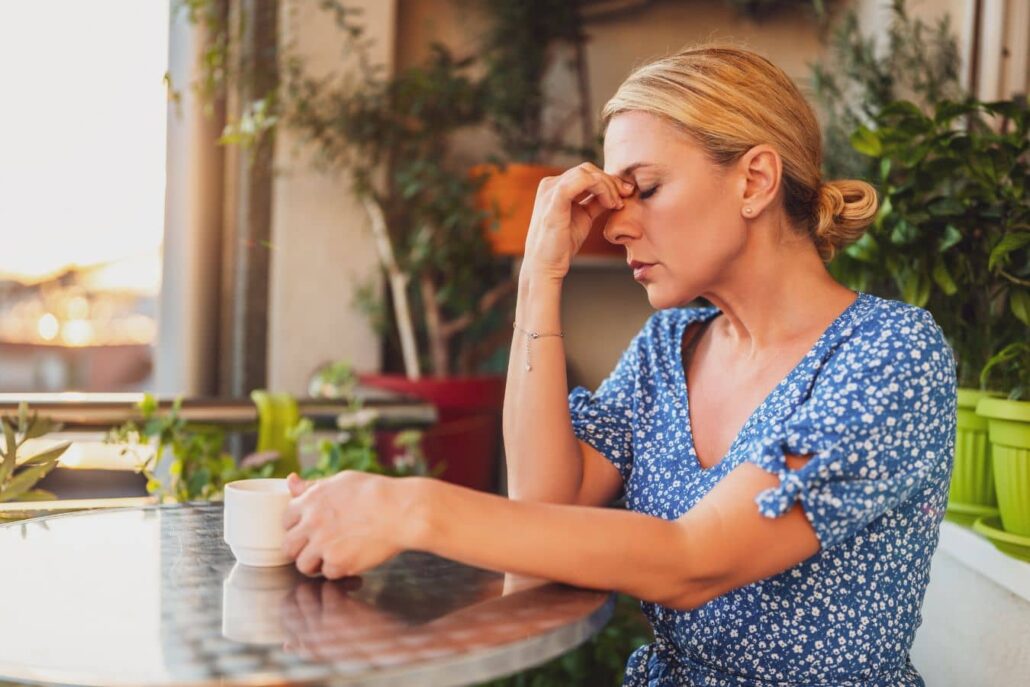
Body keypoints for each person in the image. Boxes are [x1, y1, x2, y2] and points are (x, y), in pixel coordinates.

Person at [280, 44, 957, 686]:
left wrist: (411, 506)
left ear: (754, 180)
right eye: (614, 196)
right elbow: (542, 514)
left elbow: (695, 559)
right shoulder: (670, 347)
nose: (615, 225)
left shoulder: (890, 355)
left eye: (647, 188)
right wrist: (540, 275)